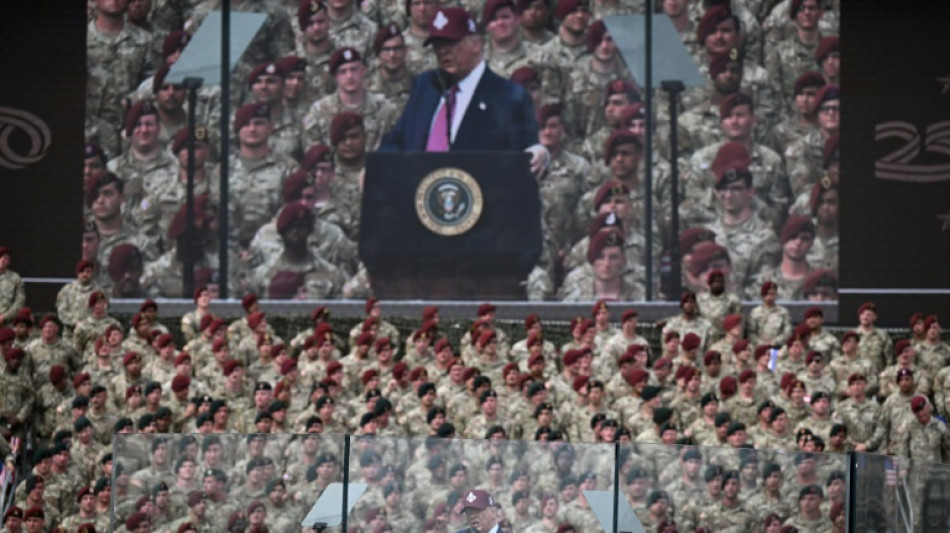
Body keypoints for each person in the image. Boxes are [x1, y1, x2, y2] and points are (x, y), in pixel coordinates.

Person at [378, 7, 548, 176]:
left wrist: (536, 154)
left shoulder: (509, 98)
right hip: (417, 194)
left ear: (476, 44)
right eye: (438, 45)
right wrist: (376, 169)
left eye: (452, 43)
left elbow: (524, 164)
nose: (443, 51)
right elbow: (398, 140)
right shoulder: (426, 86)